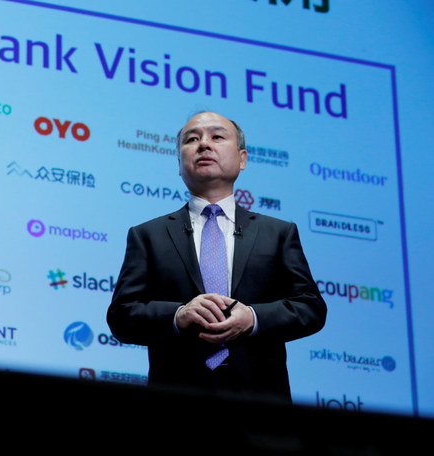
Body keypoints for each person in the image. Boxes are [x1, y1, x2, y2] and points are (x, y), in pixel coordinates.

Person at [107, 111, 326, 402]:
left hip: (261, 404)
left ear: (242, 159)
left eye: (217, 137)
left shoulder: (278, 233)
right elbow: (122, 315)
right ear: (179, 164)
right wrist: (178, 315)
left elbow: (311, 308)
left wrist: (253, 317)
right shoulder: (148, 235)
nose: (204, 144)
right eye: (192, 139)